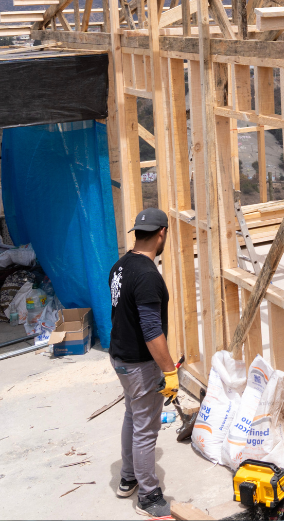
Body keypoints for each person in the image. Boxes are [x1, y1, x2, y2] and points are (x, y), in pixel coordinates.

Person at [108, 208, 178, 519]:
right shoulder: (148, 276)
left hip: (119, 356)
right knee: (146, 428)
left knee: (132, 415)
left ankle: (128, 477)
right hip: (138, 363)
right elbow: (152, 331)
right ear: (162, 232)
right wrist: (169, 370)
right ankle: (149, 496)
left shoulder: (121, 266)